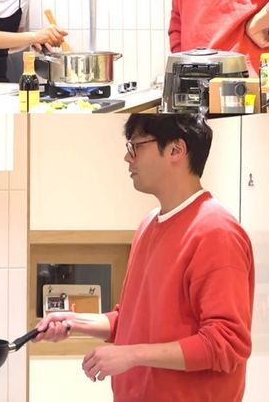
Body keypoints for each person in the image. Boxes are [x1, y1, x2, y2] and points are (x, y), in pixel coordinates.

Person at [35, 112, 254, 402]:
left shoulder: (216, 232)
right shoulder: (149, 225)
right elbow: (131, 322)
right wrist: (73, 321)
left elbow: (226, 343)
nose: (128, 158)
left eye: (136, 146)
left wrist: (133, 355)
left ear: (176, 150)